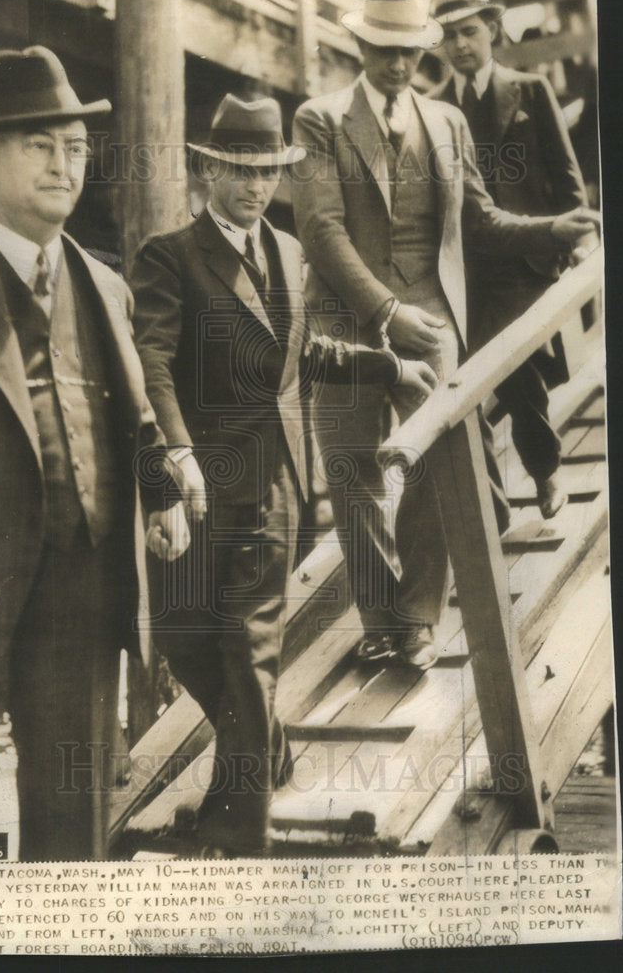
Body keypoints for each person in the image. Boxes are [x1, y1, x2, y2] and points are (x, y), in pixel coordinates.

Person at [131, 94, 437, 857]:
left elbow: (305, 352)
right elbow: (154, 363)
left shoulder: (288, 249)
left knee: (246, 644)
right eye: (238, 169)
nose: (254, 185)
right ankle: (268, 751)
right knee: (179, 635)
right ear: (206, 169)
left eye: (268, 171)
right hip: (200, 482)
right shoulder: (168, 255)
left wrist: (390, 362)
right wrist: (174, 454)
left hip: (273, 489)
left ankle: (238, 831)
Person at [0, 46, 189, 861]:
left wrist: (166, 492)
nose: (62, 163)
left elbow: (138, 416)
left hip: (83, 585)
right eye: (39, 143)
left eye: (75, 147)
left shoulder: (105, 286)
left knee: (70, 822)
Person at [291, 0, 597, 665]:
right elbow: (320, 227)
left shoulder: (446, 123)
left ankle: (420, 616)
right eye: (384, 49)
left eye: (408, 50)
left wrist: (553, 226)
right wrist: (384, 311)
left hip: (431, 316)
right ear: (361, 46)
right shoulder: (320, 118)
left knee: (433, 461)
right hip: (346, 320)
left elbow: (479, 221)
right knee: (352, 471)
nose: (398, 63)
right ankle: (378, 618)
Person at [431, 0, 590, 518]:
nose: (460, 45)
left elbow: (568, 181)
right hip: (466, 269)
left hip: (527, 262)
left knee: (520, 376)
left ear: (493, 30)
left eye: (470, 32)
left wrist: (574, 244)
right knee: (467, 388)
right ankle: (495, 505)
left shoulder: (530, 88)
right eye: (448, 36)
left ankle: (543, 474)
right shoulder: (433, 109)